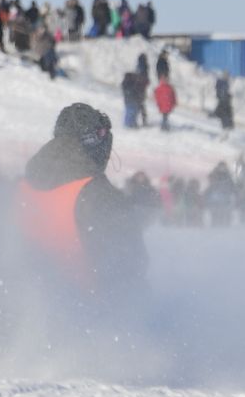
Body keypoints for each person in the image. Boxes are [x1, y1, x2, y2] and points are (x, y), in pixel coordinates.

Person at [16, 102, 147, 290]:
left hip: (32, 299)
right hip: (92, 311)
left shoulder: (23, 185)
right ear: (93, 142)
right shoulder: (100, 196)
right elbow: (132, 270)